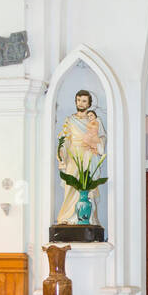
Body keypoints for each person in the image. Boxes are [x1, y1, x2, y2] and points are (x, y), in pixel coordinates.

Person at [56, 90, 107, 224]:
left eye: (84, 101)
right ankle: (68, 217)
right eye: (79, 100)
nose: (81, 103)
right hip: (73, 155)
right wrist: (62, 151)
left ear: (89, 103)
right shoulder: (70, 120)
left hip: (88, 155)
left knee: (88, 188)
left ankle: (87, 219)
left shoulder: (95, 121)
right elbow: (65, 138)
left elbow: (102, 137)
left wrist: (97, 145)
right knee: (71, 186)